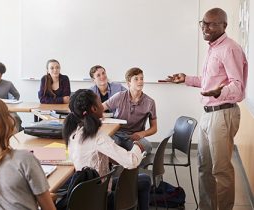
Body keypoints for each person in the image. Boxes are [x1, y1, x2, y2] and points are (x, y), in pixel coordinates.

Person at [165, 8, 248, 210]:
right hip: (208, 113)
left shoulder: (229, 48)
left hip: (223, 113)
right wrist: (187, 79)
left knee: (221, 170)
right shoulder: (213, 48)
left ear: (224, 26)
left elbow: (237, 86)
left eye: (211, 24)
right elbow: (210, 81)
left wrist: (220, 93)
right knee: (204, 167)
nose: (205, 27)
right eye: (203, 23)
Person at [62, 89, 151, 210]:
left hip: (84, 195)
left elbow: (99, 157)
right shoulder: (97, 137)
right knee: (145, 180)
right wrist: (137, 145)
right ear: (94, 109)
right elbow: (132, 162)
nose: (102, 105)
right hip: (100, 199)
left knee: (139, 180)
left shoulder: (73, 132)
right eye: (100, 102)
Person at [103, 67, 157, 154]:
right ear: (128, 83)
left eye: (141, 78)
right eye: (136, 79)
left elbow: (154, 128)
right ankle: (119, 165)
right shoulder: (119, 96)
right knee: (110, 147)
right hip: (117, 134)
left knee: (147, 147)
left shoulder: (150, 102)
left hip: (134, 136)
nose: (140, 81)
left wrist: (141, 134)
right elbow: (101, 108)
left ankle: (129, 162)